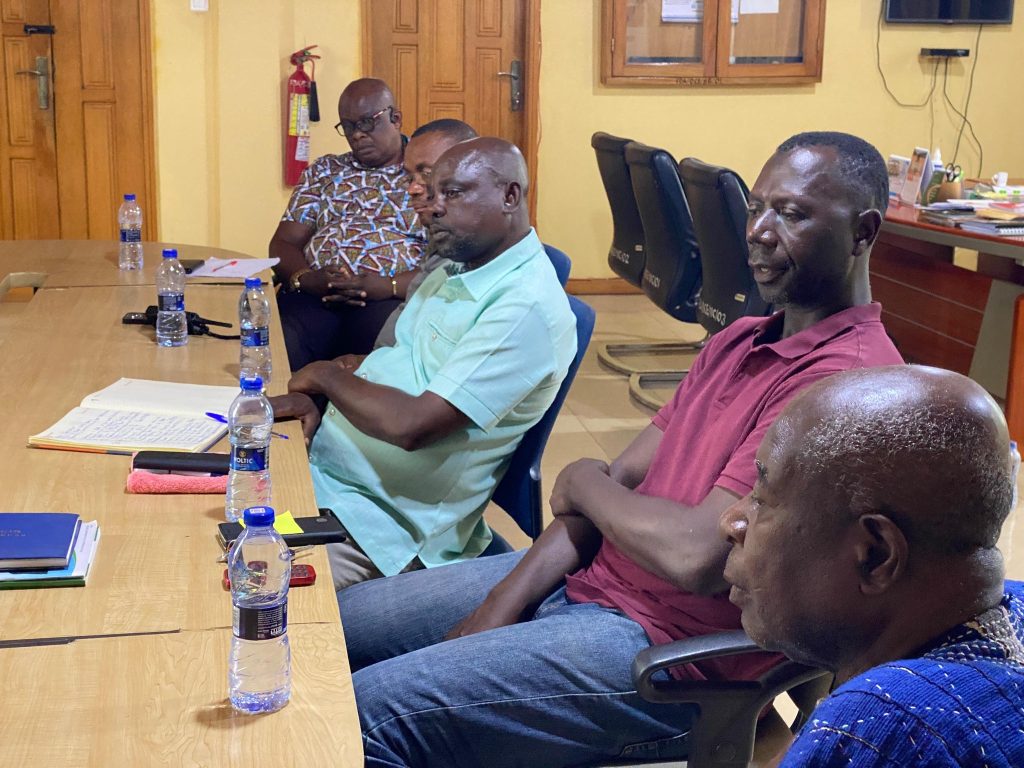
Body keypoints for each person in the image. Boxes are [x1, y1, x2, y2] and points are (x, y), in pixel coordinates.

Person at [338, 131, 905, 768]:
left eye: (793, 214)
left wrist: (587, 485)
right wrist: (501, 603)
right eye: (756, 208)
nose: (759, 232)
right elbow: (616, 483)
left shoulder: (846, 386)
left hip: (668, 659)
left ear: (862, 232)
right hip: (591, 582)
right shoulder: (738, 339)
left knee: (361, 718)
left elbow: (692, 554)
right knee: (333, 626)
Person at [272, 137, 576, 590]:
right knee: (188, 508)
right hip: (324, 474)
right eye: (431, 193)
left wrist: (325, 376)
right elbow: (400, 363)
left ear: (510, 196)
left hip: (376, 528)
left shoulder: (524, 308)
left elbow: (413, 425)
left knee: (243, 590)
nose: (431, 208)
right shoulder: (457, 268)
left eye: (452, 193)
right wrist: (323, 401)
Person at [721, 365, 1024, 767]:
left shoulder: (884, 725)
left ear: (875, 555)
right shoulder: (1013, 602)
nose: (731, 522)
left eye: (763, 498)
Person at [271, 78, 425, 371]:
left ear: (396, 118)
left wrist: (388, 285)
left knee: (377, 348)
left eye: (367, 122)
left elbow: (445, 263)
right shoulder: (325, 170)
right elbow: (283, 243)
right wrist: (306, 278)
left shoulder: (424, 173)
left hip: (390, 298)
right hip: (318, 293)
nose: (357, 135)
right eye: (348, 126)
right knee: (284, 342)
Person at [329, 118, 479, 352]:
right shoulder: (443, 242)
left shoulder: (482, 263)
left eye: (427, 174)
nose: (412, 189)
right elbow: (403, 332)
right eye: (409, 178)